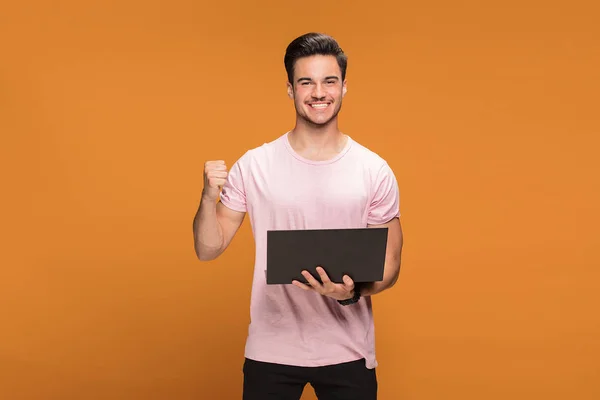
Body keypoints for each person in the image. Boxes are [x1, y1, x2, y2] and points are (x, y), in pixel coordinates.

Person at [193, 32, 403, 400]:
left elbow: (390, 265)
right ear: (290, 89)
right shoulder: (254, 165)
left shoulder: (374, 170)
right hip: (270, 349)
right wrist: (208, 198)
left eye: (329, 81)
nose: (318, 93)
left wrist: (351, 293)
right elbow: (208, 249)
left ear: (344, 87)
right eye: (306, 82)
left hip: (348, 351)